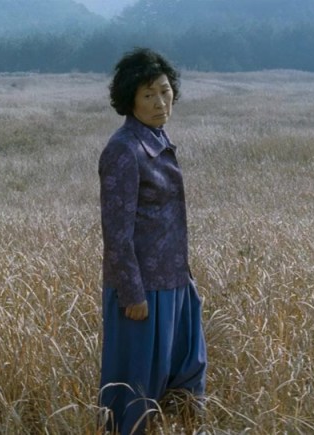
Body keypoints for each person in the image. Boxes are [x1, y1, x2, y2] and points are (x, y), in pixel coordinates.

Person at [97, 47, 207, 434]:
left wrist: (187, 284)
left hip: (176, 284)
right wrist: (132, 294)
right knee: (135, 396)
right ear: (130, 99)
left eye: (164, 91)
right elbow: (117, 232)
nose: (161, 102)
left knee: (187, 382)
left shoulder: (158, 139)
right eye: (148, 95)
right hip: (142, 295)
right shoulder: (124, 150)